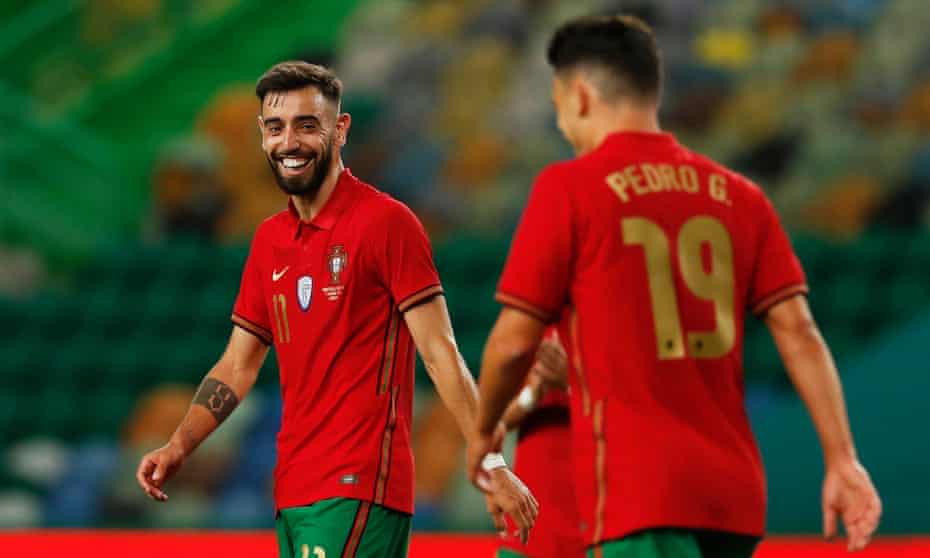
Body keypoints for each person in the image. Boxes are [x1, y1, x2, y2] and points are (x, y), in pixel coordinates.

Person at [467, 15, 881, 558]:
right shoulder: (741, 195)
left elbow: (515, 343)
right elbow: (800, 332)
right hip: (732, 497)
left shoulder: (571, 188)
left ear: (581, 95)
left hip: (639, 496)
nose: (563, 124)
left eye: (559, 105)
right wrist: (842, 458)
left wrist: (482, 432)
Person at [136, 61, 537, 558]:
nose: (290, 142)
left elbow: (439, 351)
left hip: (360, 481)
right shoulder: (269, 241)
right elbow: (237, 366)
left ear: (340, 129)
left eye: (308, 125)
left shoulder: (386, 223)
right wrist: (180, 445)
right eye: (277, 127)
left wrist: (491, 462)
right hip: (293, 488)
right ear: (263, 134)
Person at [496, 326, 585, 558]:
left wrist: (573, 382)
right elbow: (493, 422)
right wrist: (532, 397)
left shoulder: (611, 325)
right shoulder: (528, 327)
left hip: (591, 519)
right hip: (529, 524)